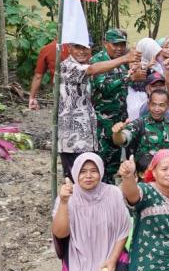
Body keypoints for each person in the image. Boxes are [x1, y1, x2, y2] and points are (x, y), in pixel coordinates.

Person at [58, 40, 138, 180]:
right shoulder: (68, 66)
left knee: (90, 175)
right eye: (78, 47)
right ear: (69, 48)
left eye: (85, 48)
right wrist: (125, 59)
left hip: (87, 132)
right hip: (73, 135)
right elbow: (92, 71)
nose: (82, 51)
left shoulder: (82, 64)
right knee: (75, 177)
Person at [89, 28, 134, 180]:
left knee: (114, 163)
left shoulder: (122, 62)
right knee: (99, 162)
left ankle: (109, 190)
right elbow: (105, 88)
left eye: (122, 45)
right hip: (102, 122)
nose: (119, 48)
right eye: (115, 45)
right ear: (105, 43)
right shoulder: (98, 61)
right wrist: (127, 77)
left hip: (118, 120)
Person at [112, 89, 169, 174]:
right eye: (153, 104)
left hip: (166, 175)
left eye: (161, 105)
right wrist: (117, 133)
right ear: (148, 104)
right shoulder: (139, 123)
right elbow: (121, 139)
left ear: (168, 106)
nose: (157, 109)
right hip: (144, 176)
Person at [28, 39, 69, 110]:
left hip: (60, 88)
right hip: (83, 86)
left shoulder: (47, 48)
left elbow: (38, 76)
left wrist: (32, 97)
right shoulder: (82, 46)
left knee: (63, 111)